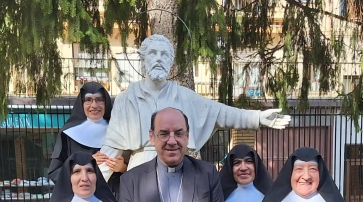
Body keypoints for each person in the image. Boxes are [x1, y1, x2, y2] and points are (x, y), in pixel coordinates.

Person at [98, 35, 290, 178]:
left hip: (180, 170)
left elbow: (221, 113)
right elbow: (110, 150)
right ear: (143, 59)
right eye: (152, 53)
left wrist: (257, 118)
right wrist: (93, 190)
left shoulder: (184, 96)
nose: (158, 59)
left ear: (171, 62)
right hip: (140, 174)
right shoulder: (127, 99)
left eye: (164, 54)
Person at [48, 82, 128, 195]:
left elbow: (138, 167)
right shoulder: (69, 134)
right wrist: (85, 163)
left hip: (114, 197)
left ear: (106, 103)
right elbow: (55, 172)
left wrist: (123, 168)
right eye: (88, 100)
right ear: (81, 104)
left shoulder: (121, 132)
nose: (94, 105)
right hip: (80, 197)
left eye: (99, 99)